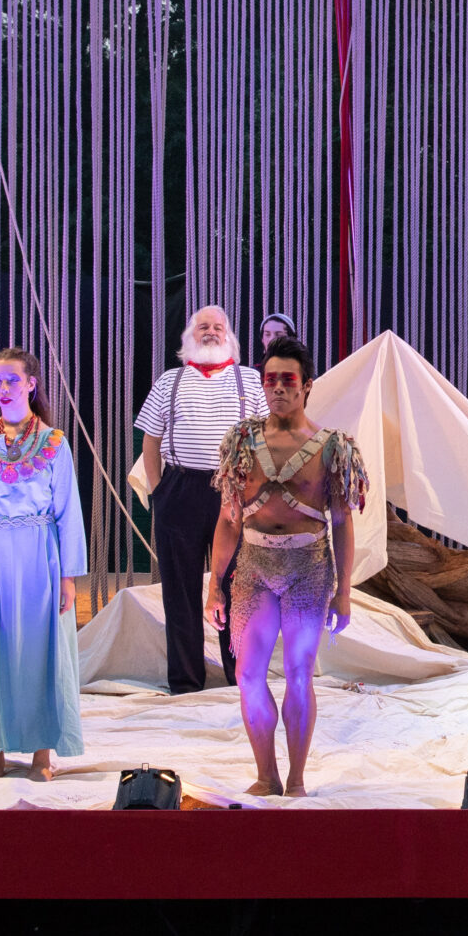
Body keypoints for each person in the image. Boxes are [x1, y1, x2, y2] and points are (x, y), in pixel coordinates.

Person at [208, 335, 370, 796]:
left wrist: (343, 591)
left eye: (288, 380)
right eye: (270, 379)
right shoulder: (242, 442)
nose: (277, 388)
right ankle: (266, 775)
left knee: (299, 674)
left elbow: (342, 522)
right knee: (247, 676)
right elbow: (228, 519)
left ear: (307, 385)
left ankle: (296, 779)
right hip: (253, 567)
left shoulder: (332, 447)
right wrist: (215, 584)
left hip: (308, 569)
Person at [0, 347, 88, 782]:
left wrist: (68, 577)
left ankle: (42, 754)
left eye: (11, 379)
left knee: (38, 652)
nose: (3, 388)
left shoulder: (54, 444)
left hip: (38, 556)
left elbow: (68, 511)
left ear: (31, 383)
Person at [137, 305, 268, 694]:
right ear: (189, 337)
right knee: (180, 589)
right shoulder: (169, 381)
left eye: (218, 327)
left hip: (235, 491)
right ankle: (185, 680)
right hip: (180, 492)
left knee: (237, 586)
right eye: (202, 327)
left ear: (229, 336)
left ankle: (239, 676)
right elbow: (150, 440)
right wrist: (159, 491)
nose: (211, 332)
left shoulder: (249, 380)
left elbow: (266, 440)